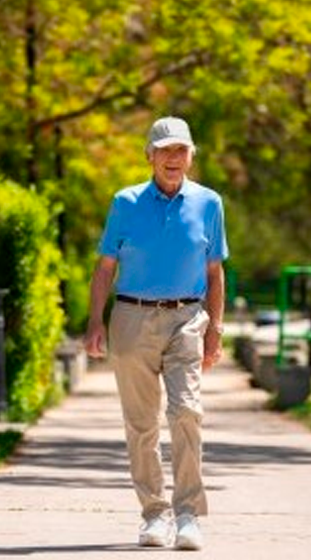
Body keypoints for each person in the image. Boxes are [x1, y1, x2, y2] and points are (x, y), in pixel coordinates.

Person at [84, 116, 228, 551]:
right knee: (141, 423)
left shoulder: (209, 203)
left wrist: (216, 330)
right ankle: (154, 515)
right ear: (149, 155)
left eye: (180, 150)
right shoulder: (124, 203)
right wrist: (94, 321)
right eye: (164, 150)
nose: (172, 158)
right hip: (131, 318)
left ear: (190, 157)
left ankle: (187, 515)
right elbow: (105, 268)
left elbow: (215, 270)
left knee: (186, 411)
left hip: (187, 318)